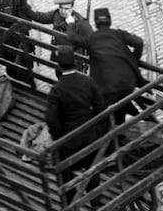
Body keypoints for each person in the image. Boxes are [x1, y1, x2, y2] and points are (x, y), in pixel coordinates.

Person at [45, 45, 106, 205]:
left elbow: (51, 120)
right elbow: (101, 107)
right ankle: (96, 201)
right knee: (92, 166)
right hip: (90, 135)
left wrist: (59, 137)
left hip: (69, 142)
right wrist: (96, 129)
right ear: (74, 61)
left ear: (59, 65)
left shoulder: (57, 90)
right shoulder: (88, 81)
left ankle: (71, 200)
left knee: (62, 166)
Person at [68, 8, 144, 126]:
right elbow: (139, 42)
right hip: (128, 83)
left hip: (107, 89)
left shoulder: (91, 39)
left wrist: (71, 23)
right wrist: (134, 59)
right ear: (110, 21)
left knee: (102, 110)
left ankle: (117, 133)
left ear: (95, 23)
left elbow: (72, 38)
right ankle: (138, 121)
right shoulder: (118, 34)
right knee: (122, 103)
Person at [32, 0, 92, 73]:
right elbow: (40, 17)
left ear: (72, 8)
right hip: (59, 56)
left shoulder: (79, 21)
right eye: (61, 8)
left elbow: (88, 41)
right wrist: (25, 9)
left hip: (73, 59)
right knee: (59, 74)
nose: (63, 11)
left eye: (66, 9)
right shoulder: (56, 14)